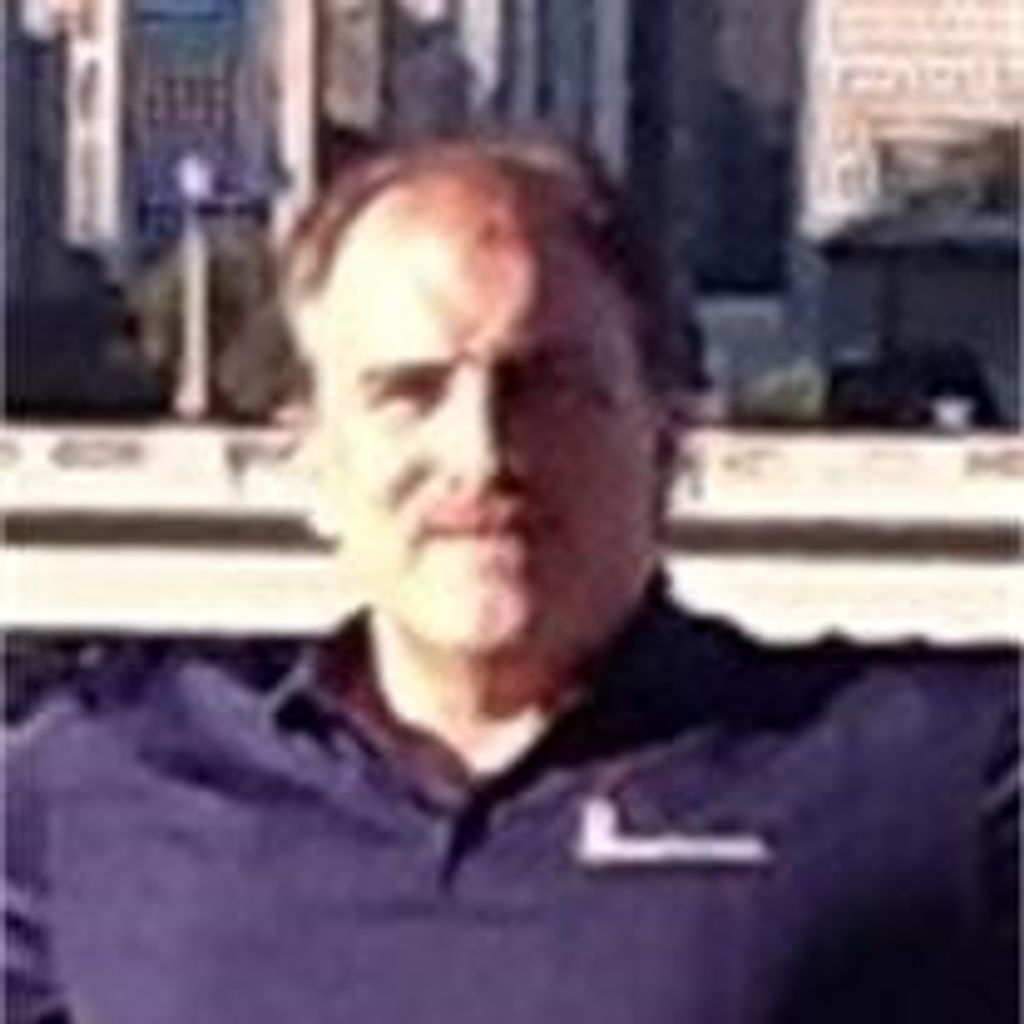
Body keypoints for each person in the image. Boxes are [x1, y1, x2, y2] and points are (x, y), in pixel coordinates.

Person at [4, 135, 1018, 1024]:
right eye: (408, 393)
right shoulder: (102, 787)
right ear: (313, 460)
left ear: (667, 440)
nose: (480, 452)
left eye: (547, 386)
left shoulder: (919, 787)